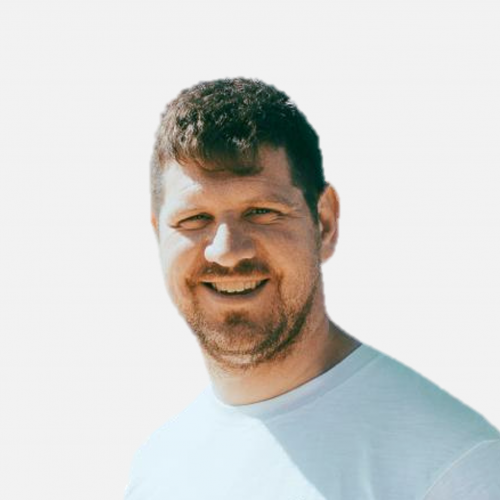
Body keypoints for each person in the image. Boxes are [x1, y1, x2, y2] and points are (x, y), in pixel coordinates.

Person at [124, 78, 500, 499]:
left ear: (324, 222)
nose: (226, 251)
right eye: (194, 219)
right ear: (159, 234)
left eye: (261, 211)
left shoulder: (452, 466)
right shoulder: (158, 466)